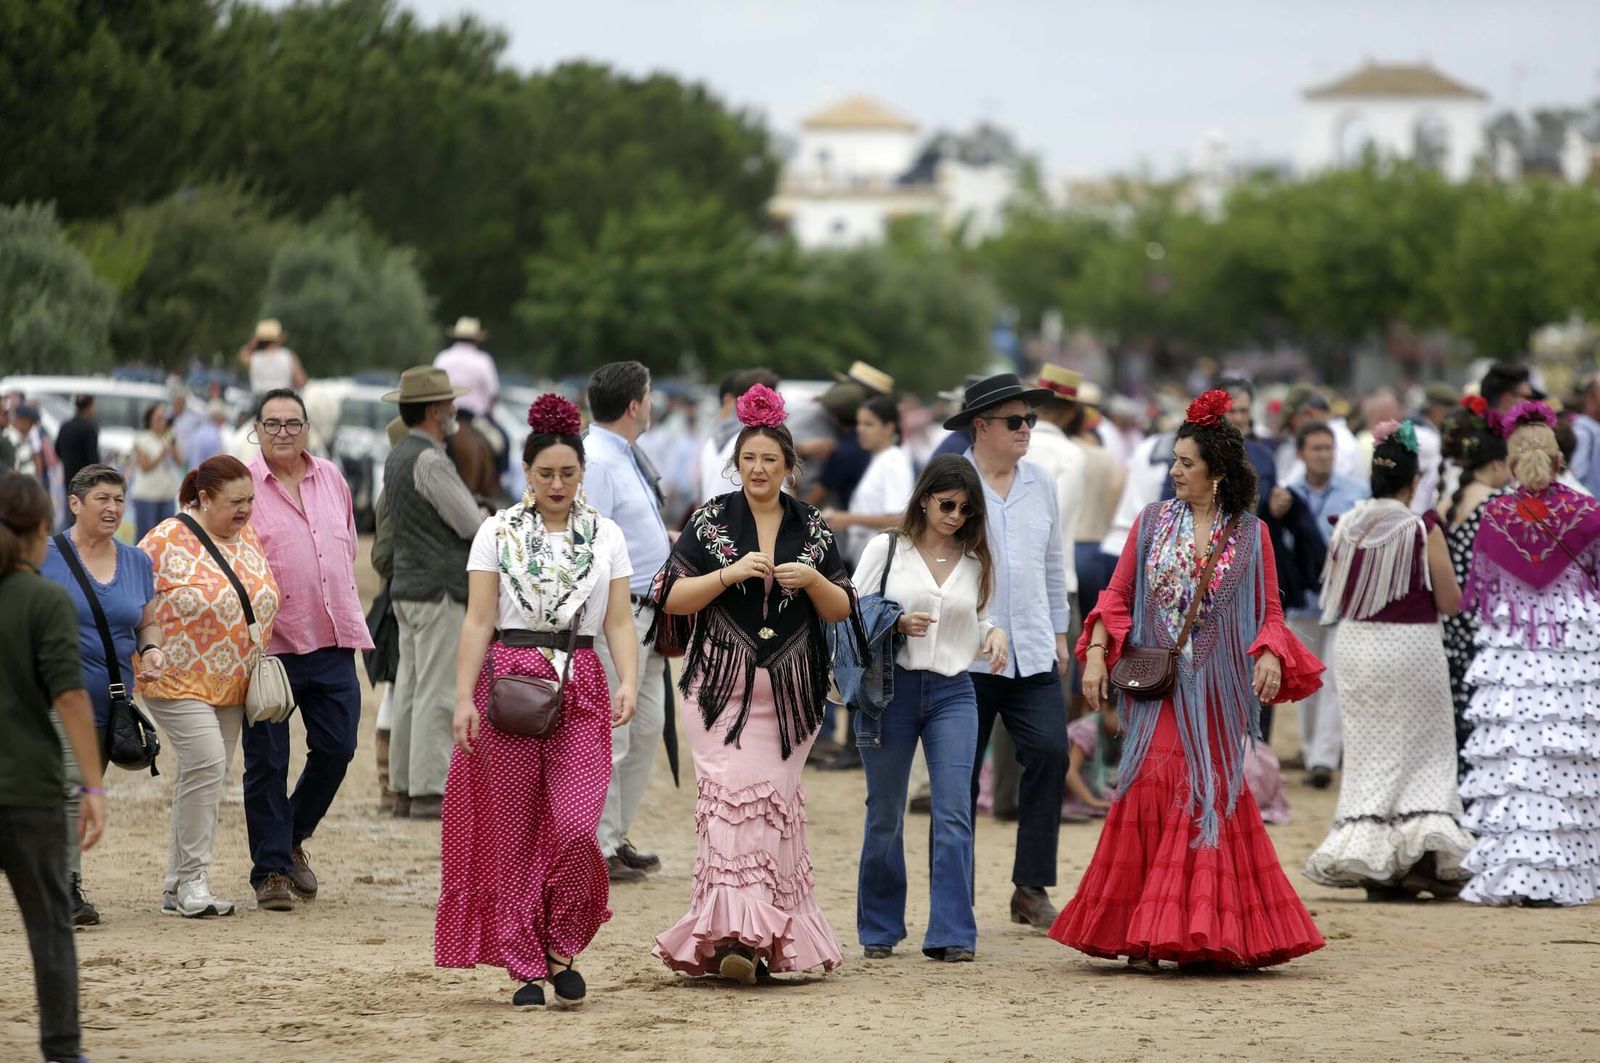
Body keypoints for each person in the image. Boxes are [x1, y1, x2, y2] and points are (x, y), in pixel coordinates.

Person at [1057, 388, 1325, 971]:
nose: (1174, 471)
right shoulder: (1151, 523)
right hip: (1161, 690)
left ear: (1218, 473)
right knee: (1154, 785)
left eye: (1186, 463)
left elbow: (1270, 613)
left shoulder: (1251, 535)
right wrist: (1098, 652)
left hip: (1221, 693)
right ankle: (1144, 933)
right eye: (1174, 461)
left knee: (1207, 793)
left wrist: (1271, 654)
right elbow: (1117, 594)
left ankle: (1198, 931)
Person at [436, 393, 638, 1009]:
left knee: (577, 826)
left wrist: (628, 679)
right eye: (545, 473)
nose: (557, 483)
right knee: (515, 829)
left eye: (568, 473)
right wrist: (462, 697)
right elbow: (477, 621)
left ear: (582, 474)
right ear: (526, 472)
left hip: (582, 685)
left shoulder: (606, 534)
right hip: (509, 683)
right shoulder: (496, 531)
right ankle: (526, 963)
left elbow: (621, 622)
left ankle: (562, 940)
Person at [652, 383, 855, 984]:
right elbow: (670, 593)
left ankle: (765, 939)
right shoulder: (712, 519)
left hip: (791, 698)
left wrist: (813, 583)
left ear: (789, 466)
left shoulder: (811, 526)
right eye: (748, 459)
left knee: (772, 811)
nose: (759, 468)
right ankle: (735, 936)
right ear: (735, 464)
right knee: (728, 809)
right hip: (718, 689)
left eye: (770, 459)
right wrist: (728, 573)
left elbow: (842, 606)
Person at [1304, 421, 1474, 900]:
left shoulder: (1347, 525)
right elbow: (1449, 600)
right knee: (1424, 750)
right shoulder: (1422, 528)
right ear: (1413, 481)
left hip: (1356, 646)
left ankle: (1376, 860)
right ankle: (1418, 858)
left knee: (1370, 753)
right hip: (1409, 647)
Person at [851, 456, 1008, 962]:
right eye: (946, 504)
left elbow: (981, 617)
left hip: (954, 693)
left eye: (966, 509)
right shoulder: (888, 548)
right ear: (924, 498)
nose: (956, 516)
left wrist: (995, 633)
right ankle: (879, 927)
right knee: (885, 812)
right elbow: (849, 610)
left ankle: (952, 932)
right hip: (889, 689)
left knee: (954, 811)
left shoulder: (977, 560)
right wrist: (896, 625)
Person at [1458, 402, 1600, 906]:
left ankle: (1516, 875)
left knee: (1516, 756)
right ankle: (1567, 877)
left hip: (1514, 644)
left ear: (1512, 463)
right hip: (1570, 645)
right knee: (1568, 758)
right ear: (1560, 461)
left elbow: (1482, 587)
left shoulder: (1495, 513)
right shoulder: (1589, 514)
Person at [949, 372, 1072, 930]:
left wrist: (1060, 631)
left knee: (1050, 754)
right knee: (960, 774)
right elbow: (932, 563)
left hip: (1033, 649)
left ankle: (1031, 887)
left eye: (1031, 420)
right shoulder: (952, 480)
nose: (1027, 430)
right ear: (981, 426)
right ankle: (955, 897)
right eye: (1015, 421)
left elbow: (1052, 561)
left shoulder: (1041, 482)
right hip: (966, 654)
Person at [243, 389, 374, 912]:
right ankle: (271, 871)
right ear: (256, 428)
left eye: (292, 423)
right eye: (271, 423)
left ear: (307, 428)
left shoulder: (333, 478)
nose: (282, 432)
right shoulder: (241, 483)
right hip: (269, 645)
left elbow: (347, 544)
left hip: (332, 634)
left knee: (339, 746)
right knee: (268, 761)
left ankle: (291, 835)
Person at [139, 456, 280, 917]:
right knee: (207, 762)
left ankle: (178, 884)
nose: (245, 510)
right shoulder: (163, 540)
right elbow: (135, 600)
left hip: (233, 680)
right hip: (176, 677)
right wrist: (144, 652)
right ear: (203, 499)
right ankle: (194, 880)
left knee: (206, 775)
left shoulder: (248, 538)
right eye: (234, 502)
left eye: (250, 501)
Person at [1, 471, 107, 1063]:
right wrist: (92, 783)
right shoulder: (46, 599)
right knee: (48, 927)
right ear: (42, 532)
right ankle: (62, 1051)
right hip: (31, 788)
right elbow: (70, 698)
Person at [40, 465, 162, 927]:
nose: (112, 508)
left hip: (111, 703)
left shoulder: (136, 561)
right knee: (72, 791)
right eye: (102, 499)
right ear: (75, 503)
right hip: (52, 696)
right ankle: (65, 891)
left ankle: (55, 878)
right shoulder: (44, 555)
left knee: (81, 794)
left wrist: (151, 649)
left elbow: (146, 620)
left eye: (118, 500)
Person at [382, 367, 485, 819]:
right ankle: (429, 789)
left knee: (409, 687)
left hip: (406, 585)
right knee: (437, 690)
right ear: (434, 411)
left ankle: (404, 787)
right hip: (439, 587)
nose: (454, 411)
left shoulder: (399, 454)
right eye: (448, 405)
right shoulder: (430, 460)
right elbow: (470, 524)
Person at [582, 361, 670, 884]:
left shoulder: (622, 453)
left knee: (645, 729)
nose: (653, 404)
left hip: (650, 610)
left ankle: (614, 834)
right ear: (634, 405)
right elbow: (595, 542)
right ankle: (599, 843)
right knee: (614, 732)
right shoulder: (596, 459)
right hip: (621, 612)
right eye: (650, 395)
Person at [1282, 422, 1369, 786]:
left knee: (1333, 679)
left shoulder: (1355, 494)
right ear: (1301, 453)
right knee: (1305, 680)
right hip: (1302, 601)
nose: (1323, 455)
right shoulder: (1285, 496)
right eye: (1316, 448)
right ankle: (1310, 749)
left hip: (1340, 599)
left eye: (1328, 448)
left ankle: (1322, 760)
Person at [1438, 397, 1510, 774]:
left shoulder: (1448, 499)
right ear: (1497, 464)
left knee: (1459, 712)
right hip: (1485, 620)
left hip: (1451, 619)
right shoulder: (1498, 503)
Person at [825, 393, 916, 563]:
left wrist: (847, 519)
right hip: (867, 558)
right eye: (859, 423)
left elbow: (899, 520)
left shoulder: (894, 461)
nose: (860, 429)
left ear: (889, 427)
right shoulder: (879, 458)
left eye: (869, 424)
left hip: (883, 562)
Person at [129, 403, 182, 541]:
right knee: (146, 536)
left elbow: (180, 462)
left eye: (164, 418)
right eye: (159, 418)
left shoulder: (169, 438)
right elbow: (145, 467)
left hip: (167, 495)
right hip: (147, 496)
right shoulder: (142, 439)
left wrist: (173, 447)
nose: (162, 421)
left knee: (165, 537)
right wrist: (162, 453)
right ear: (150, 419)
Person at [433, 317, 501, 420]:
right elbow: (493, 393)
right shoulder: (483, 360)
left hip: (445, 416)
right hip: (476, 418)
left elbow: (433, 388)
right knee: (502, 435)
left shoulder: (442, 358)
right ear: (476, 339)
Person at [237, 319, 308, 398]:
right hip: (283, 398)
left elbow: (242, 353)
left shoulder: (254, 358)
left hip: (260, 399)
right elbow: (301, 382)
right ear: (278, 338)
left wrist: (254, 342)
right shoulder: (288, 356)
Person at [54, 395, 100, 491]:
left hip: (69, 476)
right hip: (86, 479)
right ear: (90, 406)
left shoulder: (65, 426)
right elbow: (93, 457)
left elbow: (57, 450)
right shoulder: (89, 428)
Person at [185, 400, 231, 467]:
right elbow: (215, 464)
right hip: (205, 474)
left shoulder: (199, 431)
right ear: (217, 417)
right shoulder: (213, 436)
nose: (224, 420)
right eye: (223, 417)